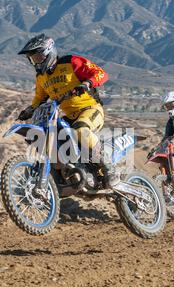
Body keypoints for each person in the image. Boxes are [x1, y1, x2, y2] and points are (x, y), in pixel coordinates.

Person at [17, 33, 119, 187]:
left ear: (48, 53)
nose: (35, 62)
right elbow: (40, 98)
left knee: (80, 131)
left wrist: (87, 84)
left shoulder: (71, 62)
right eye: (32, 59)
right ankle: (67, 172)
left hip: (90, 109)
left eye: (37, 57)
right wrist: (30, 109)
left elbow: (100, 73)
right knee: (51, 134)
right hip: (69, 116)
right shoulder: (41, 77)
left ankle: (110, 168)